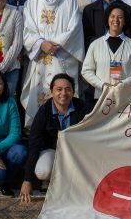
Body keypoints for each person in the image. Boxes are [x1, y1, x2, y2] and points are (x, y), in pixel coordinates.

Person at [21, 0, 85, 127]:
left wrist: (53, 45)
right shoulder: (31, 2)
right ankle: (37, 131)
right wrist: (42, 44)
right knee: (39, 96)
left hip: (62, 57)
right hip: (40, 57)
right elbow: (27, 30)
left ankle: (66, 129)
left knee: (63, 93)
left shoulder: (70, 0)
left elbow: (75, 28)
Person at [19, 74, 86, 202]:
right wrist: (27, 180)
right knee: (43, 170)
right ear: (51, 92)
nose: (63, 93)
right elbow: (34, 145)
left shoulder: (82, 107)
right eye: (59, 89)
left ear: (73, 92)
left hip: (76, 152)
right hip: (52, 151)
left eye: (68, 89)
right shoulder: (44, 112)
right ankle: (51, 181)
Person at [81, 4, 131, 92]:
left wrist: (125, 83)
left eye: (120, 17)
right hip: (101, 95)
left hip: (125, 96)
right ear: (107, 19)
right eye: (112, 16)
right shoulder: (95, 45)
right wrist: (101, 85)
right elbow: (86, 71)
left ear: (124, 21)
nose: (116, 20)